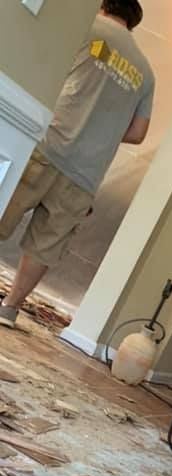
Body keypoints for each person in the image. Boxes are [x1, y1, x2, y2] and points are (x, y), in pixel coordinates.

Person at [0, 0, 154, 328]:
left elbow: (45, 68)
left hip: (46, 145)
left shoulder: (86, 29)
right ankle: (9, 308)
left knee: (3, 209)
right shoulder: (145, 72)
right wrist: (105, 132)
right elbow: (139, 132)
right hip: (85, 173)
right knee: (46, 244)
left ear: (103, 5)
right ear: (133, 21)